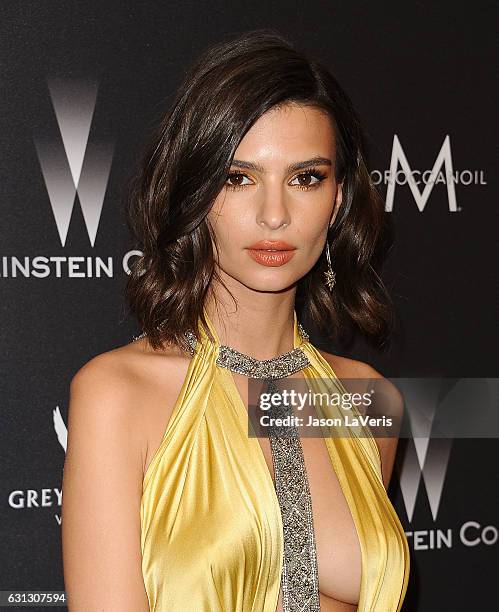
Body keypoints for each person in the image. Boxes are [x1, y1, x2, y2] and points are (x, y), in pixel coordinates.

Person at [61, 29, 410, 612]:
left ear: (339, 198)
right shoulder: (118, 393)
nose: (274, 215)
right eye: (238, 177)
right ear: (195, 190)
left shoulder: (370, 400)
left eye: (306, 178)